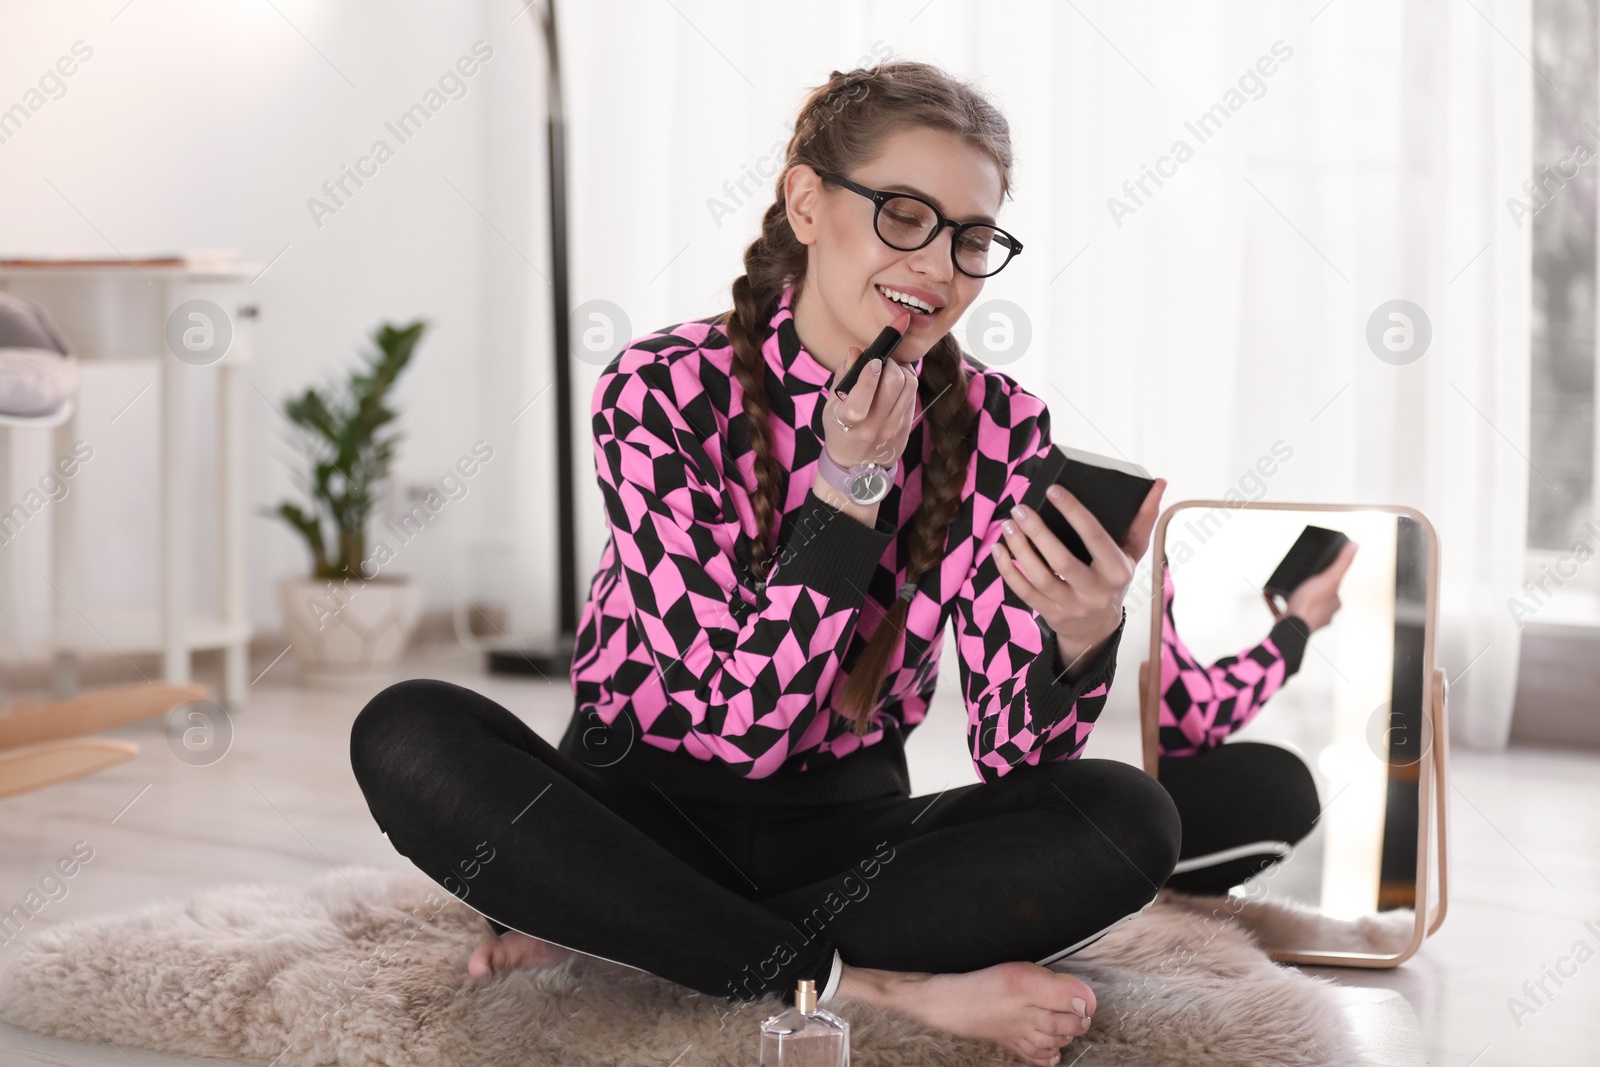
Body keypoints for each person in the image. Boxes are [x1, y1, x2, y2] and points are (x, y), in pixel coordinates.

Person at [351, 62, 1276, 1067]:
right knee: (405, 732)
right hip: (631, 805)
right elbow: (735, 726)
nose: (939, 266)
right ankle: (869, 984)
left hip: (843, 834)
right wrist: (848, 495)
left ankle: (628, 927)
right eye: (906, 216)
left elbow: (1021, 762)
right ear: (806, 201)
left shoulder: (1002, 430)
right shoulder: (660, 389)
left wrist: (1082, 634)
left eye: (971, 237)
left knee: (1127, 816)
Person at [1148, 541, 1359, 895]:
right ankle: (1153, 897)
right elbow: (1199, 716)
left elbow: (1176, 697)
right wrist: (1298, 623)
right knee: (1283, 787)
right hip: (1105, 806)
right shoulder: (1121, 557)